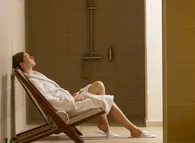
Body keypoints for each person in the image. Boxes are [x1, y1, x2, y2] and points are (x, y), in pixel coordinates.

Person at [12, 52, 155, 138]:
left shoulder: (35, 75)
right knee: (107, 102)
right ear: (22, 64)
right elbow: (51, 101)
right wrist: (72, 99)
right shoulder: (33, 81)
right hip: (67, 107)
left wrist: (70, 96)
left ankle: (104, 124)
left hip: (68, 100)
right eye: (28, 57)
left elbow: (53, 95)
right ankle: (133, 130)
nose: (32, 57)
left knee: (98, 85)